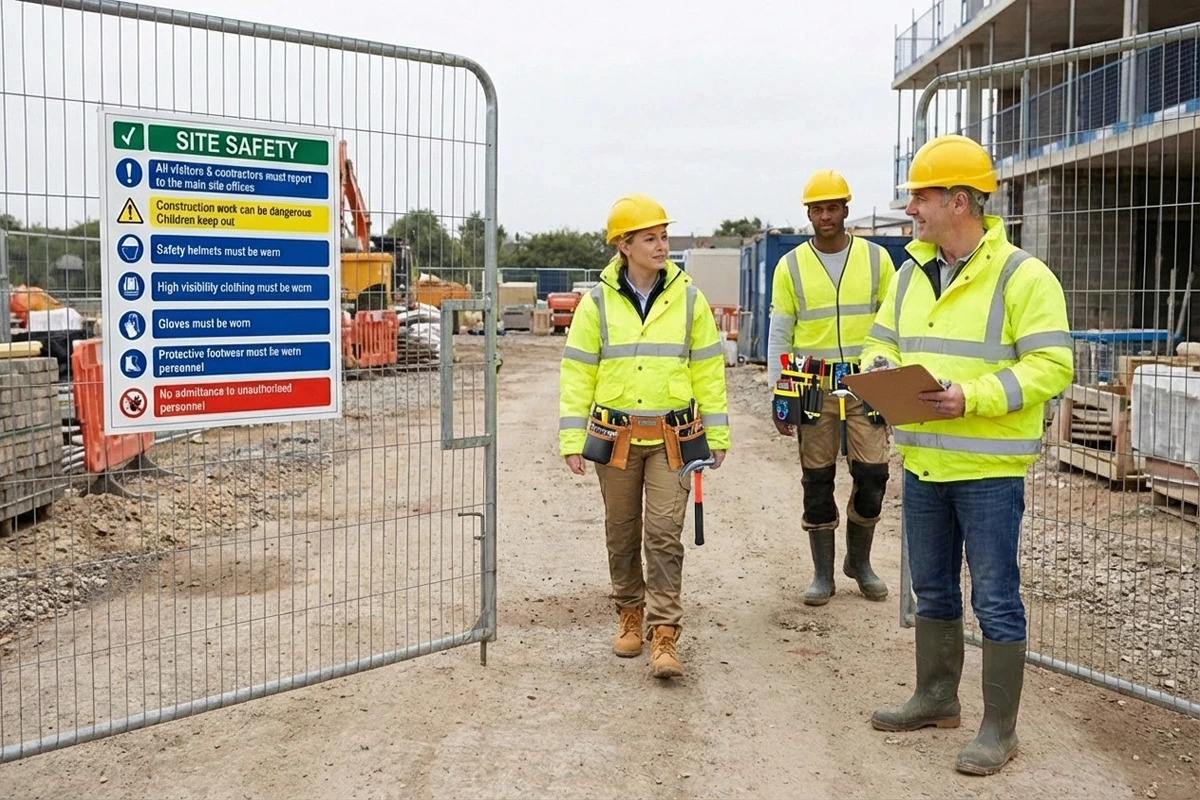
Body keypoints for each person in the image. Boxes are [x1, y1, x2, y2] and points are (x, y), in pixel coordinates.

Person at [861, 134, 1073, 775]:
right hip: (925, 465)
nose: (911, 211)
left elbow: (1052, 364)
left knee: (996, 599)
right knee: (931, 590)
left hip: (987, 471)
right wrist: (876, 372)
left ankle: (998, 729)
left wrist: (971, 397)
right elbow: (882, 341)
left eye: (920, 198)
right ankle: (936, 697)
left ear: (958, 201)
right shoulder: (909, 274)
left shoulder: (1023, 277)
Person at [558, 193, 731, 680]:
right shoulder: (596, 303)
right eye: (650, 238)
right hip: (615, 437)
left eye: (663, 237)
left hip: (673, 437)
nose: (661, 246)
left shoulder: (690, 298)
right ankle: (629, 612)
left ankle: (664, 633)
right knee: (621, 530)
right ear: (624, 246)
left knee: (662, 534)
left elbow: (708, 370)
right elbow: (577, 372)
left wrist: (717, 433)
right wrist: (572, 438)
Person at [767, 170, 895, 606]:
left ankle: (859, 562)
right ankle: (823, 574)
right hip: (811, 383)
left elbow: (894, 326)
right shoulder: (791, 266)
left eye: (833, 207)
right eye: (818, 209)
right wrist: (778, 394)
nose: (826, 215)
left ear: (846, 208)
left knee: (874, 475)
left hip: (868, 381)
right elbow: (780, 332)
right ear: (808, 213)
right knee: (817, 480)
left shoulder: (878, 260)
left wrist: (898, 381)